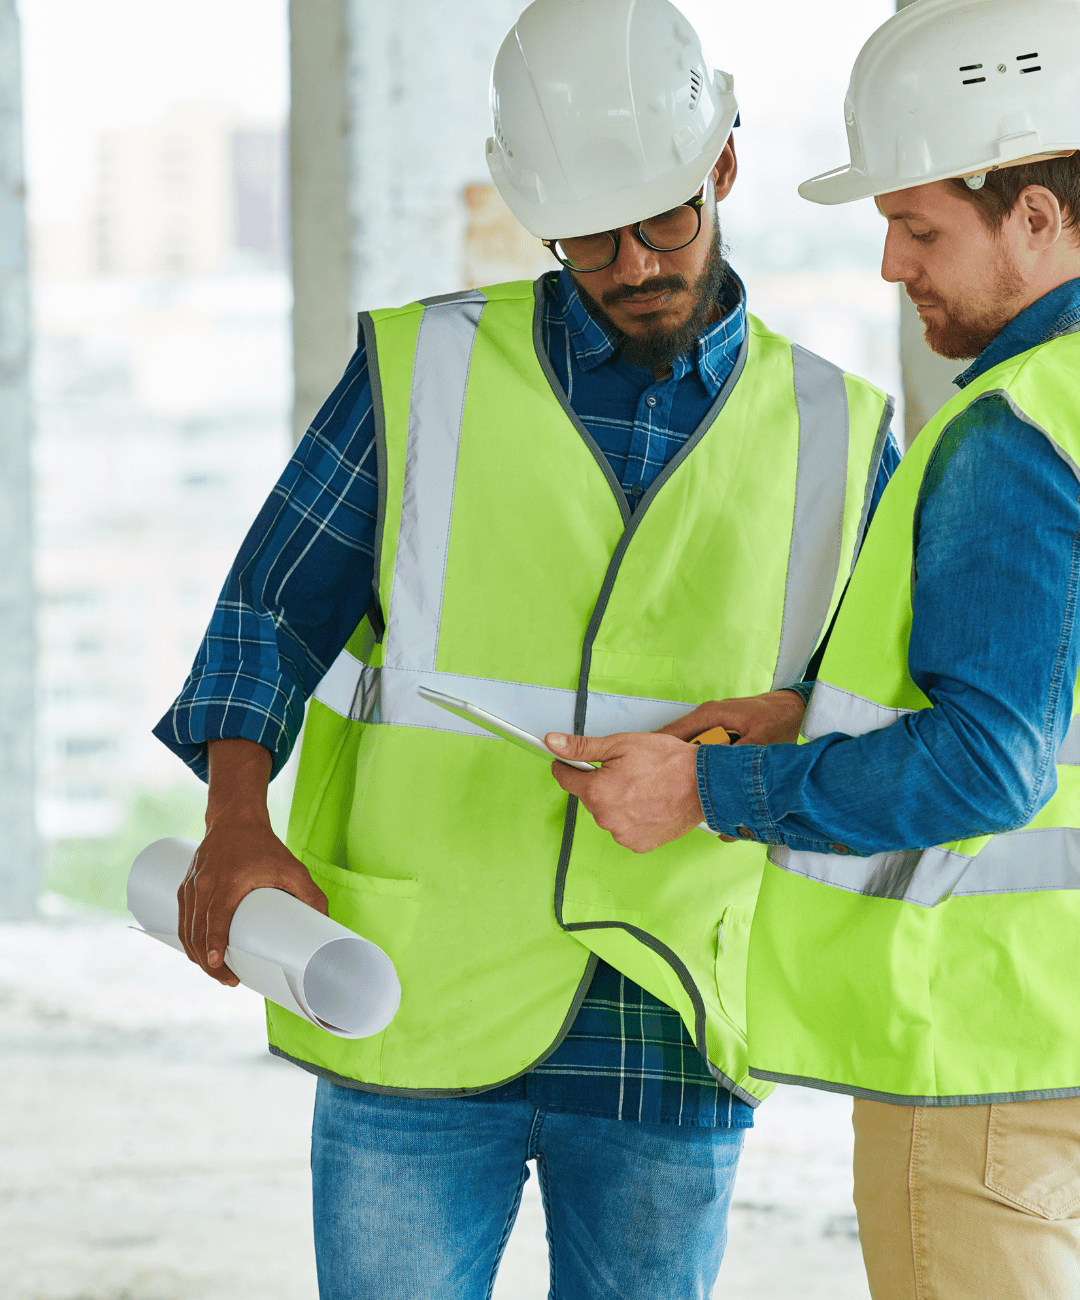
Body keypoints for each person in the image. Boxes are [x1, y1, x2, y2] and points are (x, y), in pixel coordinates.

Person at [154, 0, 897, 1295]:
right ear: (539, 216)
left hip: (671, 1002)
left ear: (722, 166)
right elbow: (267, 613)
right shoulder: (424, 369)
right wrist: (233, 819)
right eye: (593, 234)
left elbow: (877, 714)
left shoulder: (838, 430)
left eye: (664, 216)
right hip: (414, 989)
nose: (636, 259)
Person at [550, 1, 1080, 1296]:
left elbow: (990, 766)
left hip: (984, 1064)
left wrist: (708, 789)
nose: (894, 266)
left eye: (918, 226)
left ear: (1038, 218)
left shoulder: (1011, 429)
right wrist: (805, 718)